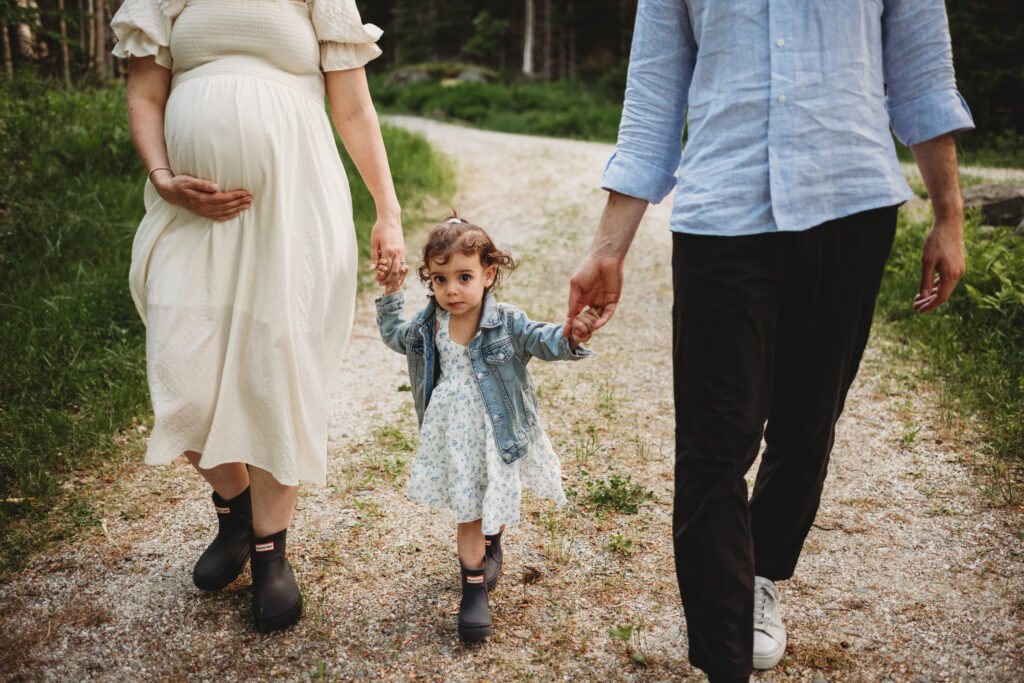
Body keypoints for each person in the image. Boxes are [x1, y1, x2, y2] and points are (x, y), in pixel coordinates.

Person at [564, 1, 974, 680]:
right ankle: (724, 659)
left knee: (807, 425)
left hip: (852, 204)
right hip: (721, 214)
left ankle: (761, 571)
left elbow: (922, 75)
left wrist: (950, 215)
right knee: (713, 447)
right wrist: (609, 248)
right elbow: (654, 103)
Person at [110, 0, 406, 633]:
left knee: (278, 369)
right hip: (189, 215)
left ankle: (270, 550)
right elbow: (145, 93)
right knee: (178, 373)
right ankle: (235, 508)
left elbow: (351, 107)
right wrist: (162, 176)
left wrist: (389, 211)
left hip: (293, 211)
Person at [376, 215, 598, 641]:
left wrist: (571, 335)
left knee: (489, 497)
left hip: (495, 432)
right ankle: (473, 590)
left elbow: (542, 339)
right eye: (440, 279)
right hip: (453, 436)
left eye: (464, 276)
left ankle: (492, 541)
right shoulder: (430, 324)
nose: (451, 290)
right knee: (468, 509)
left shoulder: (507, 322)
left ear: (489, 274)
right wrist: (390, 295)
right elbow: (396, 336)